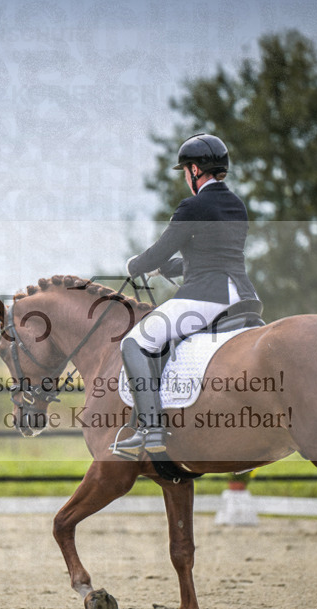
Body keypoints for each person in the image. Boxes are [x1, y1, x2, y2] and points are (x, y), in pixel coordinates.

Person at [113, 133, 261, 459]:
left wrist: (136, 265)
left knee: (133, 343)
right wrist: (167, 269)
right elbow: (210, 257)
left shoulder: (192, 206)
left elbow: (159, 250)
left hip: (206, 298)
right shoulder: (236, 205)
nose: (184, 176)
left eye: (185, 170)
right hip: (243, 296)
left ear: (195, 170)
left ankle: (150, 431)